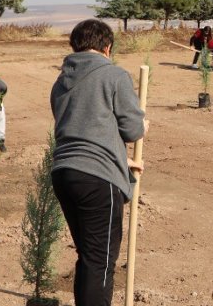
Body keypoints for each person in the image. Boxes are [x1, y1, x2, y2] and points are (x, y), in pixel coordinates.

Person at [51, 19, 147, 306]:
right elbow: (131, 129)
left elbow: (82, 129)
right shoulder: (113, 75)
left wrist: (123, 159)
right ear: (108, 47)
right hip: (96, 179)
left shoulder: (61, 81)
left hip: (64, 172)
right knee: (101, 261)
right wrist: (143, 126)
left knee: (89, 256)